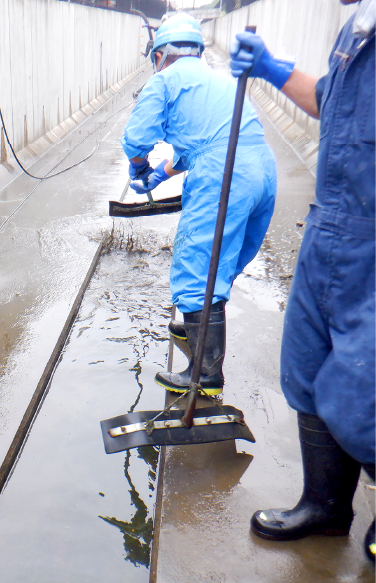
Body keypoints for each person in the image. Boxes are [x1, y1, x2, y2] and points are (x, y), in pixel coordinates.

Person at [230, 0, 376, 565]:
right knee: (307, 369)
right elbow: (332, 104)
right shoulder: (359, 27)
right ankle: (324, 506)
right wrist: (272, 69)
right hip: (330, 228)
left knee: (362, 391)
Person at [121, 13, 277, 396]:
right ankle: (197, 329)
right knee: (223, 261)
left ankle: (205, 375)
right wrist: (162, 174)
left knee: (199, 264)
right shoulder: (220, 80)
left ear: (160, 55)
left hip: (224, 175)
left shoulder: (163, 81)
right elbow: (207, 142)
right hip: (261, 170)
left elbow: (137, 139)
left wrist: (139, 167)